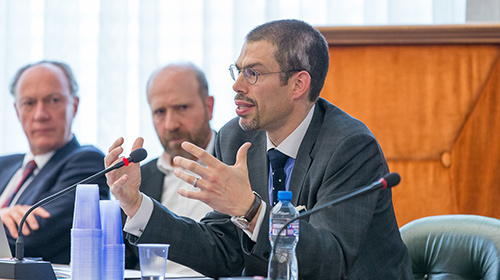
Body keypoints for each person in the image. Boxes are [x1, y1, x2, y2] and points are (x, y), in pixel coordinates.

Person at [106, 19, 412, 279]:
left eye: (253, 73)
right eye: (237, 71)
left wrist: (250, 210)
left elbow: (330, 262)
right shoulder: (236, 138)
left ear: (297, 85)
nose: (237, 85)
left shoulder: (349, 147)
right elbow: (222, 250)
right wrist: (136, 205)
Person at [0, 61, 109, 264]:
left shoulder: (87, 162)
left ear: (74, 106)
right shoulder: (3, 165)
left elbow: (31, 239)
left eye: (53, 100)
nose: (40, 115)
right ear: (17, 111)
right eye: (29, 103)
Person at [124, 62, 215, 275]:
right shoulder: (139, 178)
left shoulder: (237, 163)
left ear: (209, 107)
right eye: (159, 112)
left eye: (182, 108)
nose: (170, 124)